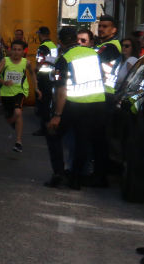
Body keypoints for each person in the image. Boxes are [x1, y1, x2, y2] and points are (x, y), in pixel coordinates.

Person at [44, 26, 109, 189]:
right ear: (75, 38)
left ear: (60, 42)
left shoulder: (64, 58)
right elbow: (103, 75)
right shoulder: (94, 53)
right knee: (84, 141)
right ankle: (76, 179)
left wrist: (57, 115)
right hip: (97, 103)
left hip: (75, 105)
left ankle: (58, 173)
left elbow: (61, 90)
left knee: (53, 134)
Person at [0, 39, 38, 153]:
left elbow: (33, 74)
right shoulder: (5, 61)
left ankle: (18, 141)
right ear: (10, 51)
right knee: (11, 115)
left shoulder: (26, 63)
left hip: (20, 91)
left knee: (18, 112)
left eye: (19, 50)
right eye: (14, 49)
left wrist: (36, 88)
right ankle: (12, 121)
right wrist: (3, 82)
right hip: (6, 93)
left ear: (23, 52)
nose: (16, 52)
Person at [33, 26, 58, 137]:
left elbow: (40, 61)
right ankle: (49, 126)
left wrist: (35, 70)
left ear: (41, 34)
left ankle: (44, 128)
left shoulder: (43, 46)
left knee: (43, 103)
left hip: (43, 77)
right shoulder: (54, 45)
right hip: (52, 76)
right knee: (49, 103)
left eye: (39, 34)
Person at [95, 14, 123, 103]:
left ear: (114, 30)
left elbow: (93, 60)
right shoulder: (102, 45)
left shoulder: (112, 46)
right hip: (100, 91)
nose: (100, 29)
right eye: (99, 26)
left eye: (105, 26)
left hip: (106, 93)